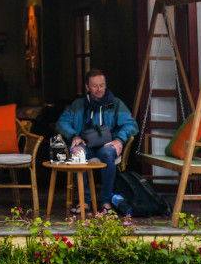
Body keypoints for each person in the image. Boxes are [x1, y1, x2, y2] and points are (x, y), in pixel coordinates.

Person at [55, 68, 138, 214]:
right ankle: (85, 201)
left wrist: (119, 140)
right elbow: (61, 123)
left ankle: (106, 200)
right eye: (95, 86)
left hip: (107, 144)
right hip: (85, 144)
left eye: (102, 85)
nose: (99, 89)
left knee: (108, 153)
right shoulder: (78, 105)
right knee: (76, 153)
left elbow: (131, 124)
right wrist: (74, 135)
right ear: (87, 87)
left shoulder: (115, 103)